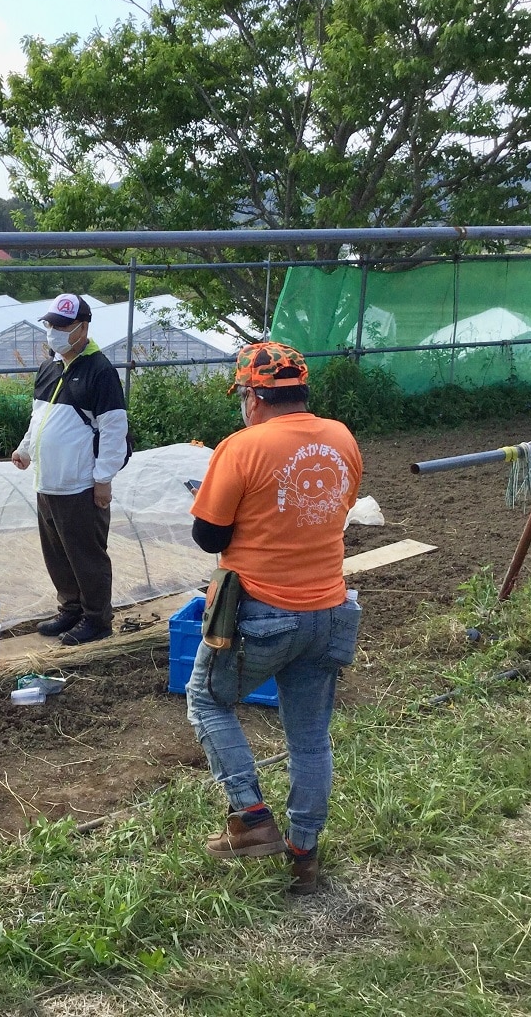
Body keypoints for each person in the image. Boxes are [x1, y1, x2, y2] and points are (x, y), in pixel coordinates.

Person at [186, 341, 363, 894]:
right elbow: (332, 509)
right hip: (330, 610)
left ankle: (251, 818)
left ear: (252, 395)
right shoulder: (342, 439)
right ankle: (304, 856)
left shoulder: (241, 448)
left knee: (207, 699)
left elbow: (208, 535)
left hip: (262, 610)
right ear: (301, 389)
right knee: (310, 739)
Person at [12, 294, 129, 646]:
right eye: (50, 325)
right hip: (48, 480)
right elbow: (39, 417)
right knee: (57, 552)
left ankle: (97, 618)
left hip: (79, 483)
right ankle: (71, 608)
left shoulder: (100, 370)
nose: (54, 332)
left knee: (86, 554)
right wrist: (25, 449)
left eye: (62, 327)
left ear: (83, 328)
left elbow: (113, 429)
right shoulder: (50, 367)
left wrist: (102, 480)